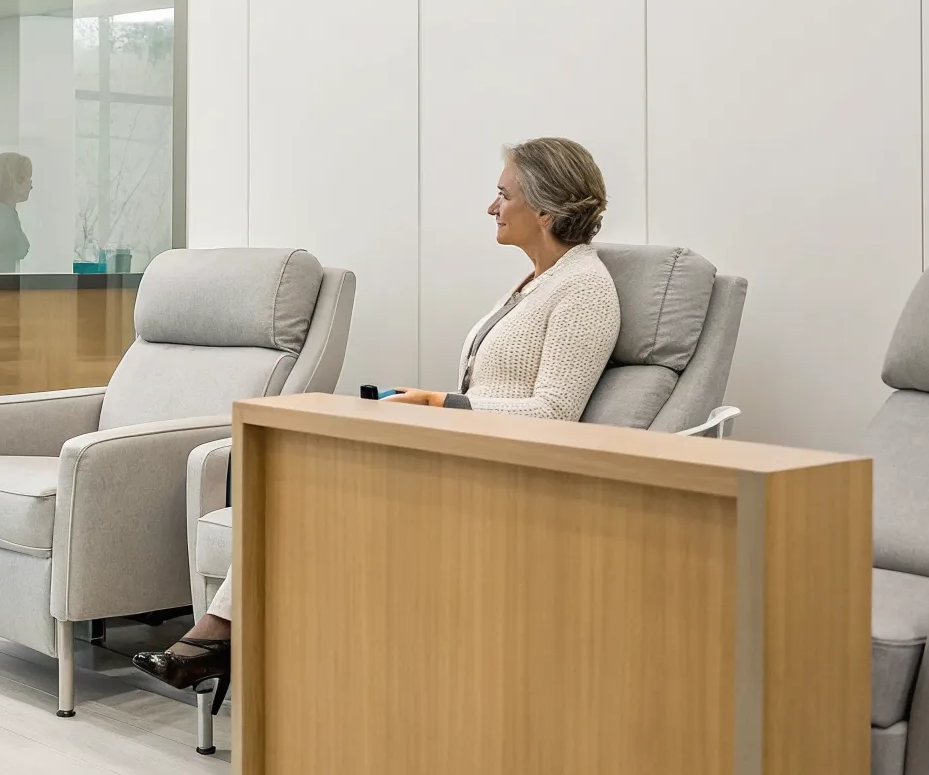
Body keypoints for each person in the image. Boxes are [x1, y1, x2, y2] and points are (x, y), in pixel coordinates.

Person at [131, 136, 622, 694]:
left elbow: (555, 414)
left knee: (310, 485)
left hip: (510, 479)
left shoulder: (585, 289)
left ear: (545, 210)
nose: (492, 207)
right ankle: (220, 639)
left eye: (502, 194)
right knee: (296, 477)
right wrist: (430, 402)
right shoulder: (538, 281)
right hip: (468, 454)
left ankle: (218, 642)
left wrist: (442, 404)